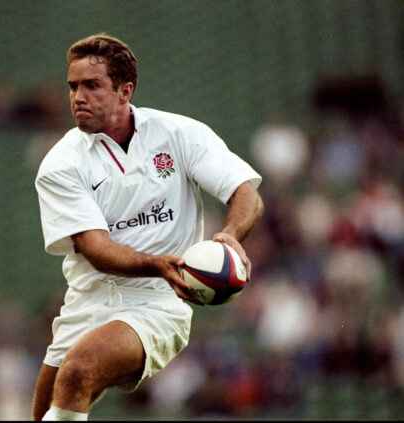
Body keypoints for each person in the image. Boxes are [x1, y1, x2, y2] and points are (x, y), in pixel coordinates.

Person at [32, 33, 264, 421]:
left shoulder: (179, 134)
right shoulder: (60, 164)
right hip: (88, 299)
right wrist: (157, 262)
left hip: (159, 299)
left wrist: (229, 236)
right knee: (44, 414)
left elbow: (247, 194)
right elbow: (97, 250)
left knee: (78, 372)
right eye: (73, 86)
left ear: (125, 91)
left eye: (91, 86)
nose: (78, 97)